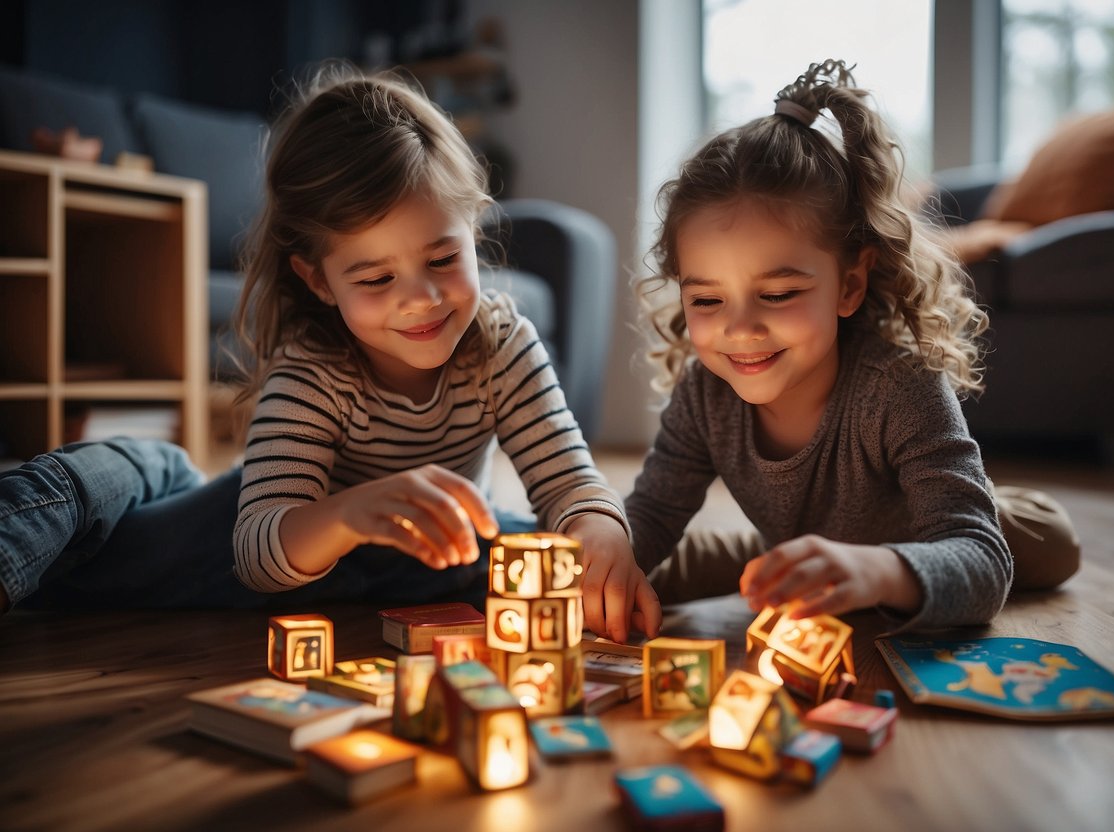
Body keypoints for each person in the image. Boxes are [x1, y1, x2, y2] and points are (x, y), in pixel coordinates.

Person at [0, 65, 662, 643]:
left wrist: (596, 529)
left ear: (474, 227)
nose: (421, 299)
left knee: (546, 553)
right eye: (376, 279)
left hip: (416, 565)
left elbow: (569, 483)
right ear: (318, 280)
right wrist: (349, 513)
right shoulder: (313, 368)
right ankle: (122, 474)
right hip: (243, 537)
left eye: (443, 257)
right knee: (96, 502)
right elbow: (258, 552)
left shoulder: (502, 342)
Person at [626, 60, 1079, 632]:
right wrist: (608, 555)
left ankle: (963, 514)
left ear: (850, 285)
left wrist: (879, 570)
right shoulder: (703, 392)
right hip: (800, 543)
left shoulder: (899, 386)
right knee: (638, 554)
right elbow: (653, 514)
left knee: (1051, 541)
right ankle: (807, 558)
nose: (740, 329)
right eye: (708, 301)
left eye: (779, 293)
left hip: (932, 537)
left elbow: (983, 563)